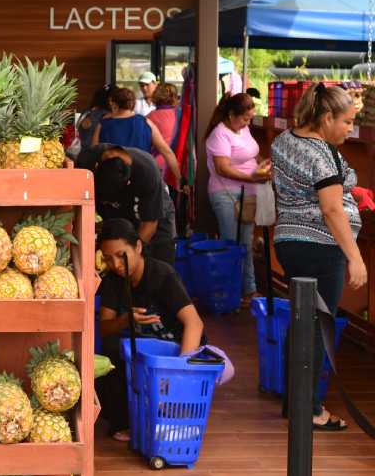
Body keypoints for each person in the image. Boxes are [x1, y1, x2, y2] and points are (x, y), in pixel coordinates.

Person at [271, 83, 366, 431]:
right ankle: (309, 410)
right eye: (346, 122)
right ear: (326, 117)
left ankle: (295, 404)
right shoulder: (320, 153)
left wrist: (353, 191)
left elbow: (316, 190)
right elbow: (331, 209)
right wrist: (354, 257)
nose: (349, 129)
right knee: (316, 329)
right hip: (321, 247)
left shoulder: (284, 140)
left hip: (290, 242)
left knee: (302, 325)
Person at [95, 218, 204, 441]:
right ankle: (125, 422)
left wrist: (179, 370)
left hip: (173, 349)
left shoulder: (162, 275)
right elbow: (105, 328)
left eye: (120, 255)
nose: (115, 264)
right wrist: (126, 320)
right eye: (108, 258)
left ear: (138, 247)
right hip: (139, 350)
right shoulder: (112, 281)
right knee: (110, 350)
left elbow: (195, 323)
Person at [205, 92, 270, 304]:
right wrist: (252, 176)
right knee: (230, 245)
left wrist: (263, 165)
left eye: (250, 118)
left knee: (245, 243)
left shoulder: (243, 129)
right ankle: (229, 292)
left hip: (248, 193)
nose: (247, 122)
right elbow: (222, 169)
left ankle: (248, 290)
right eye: (244, 118)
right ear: (232, 114)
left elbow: (251, 154)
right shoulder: (219, 134)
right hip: (226, 194)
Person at [77, 143, 178, 264]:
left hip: (154, 219)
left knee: (156, 264)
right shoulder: (87, 160)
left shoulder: (147, 172)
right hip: (117, 218)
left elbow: (149, 225)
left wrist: (128, 257)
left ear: (128, 182)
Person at [92, 87, 181, 182]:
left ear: (114, 104)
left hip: (112, 178)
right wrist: (179, 178)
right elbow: (167, 152)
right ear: (133, 104)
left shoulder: (103, 124)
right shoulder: (146, 122)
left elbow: (94, 152)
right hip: (141, 177)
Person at [146, 83, 178, 175]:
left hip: (155, 165)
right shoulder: (181, 115)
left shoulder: (148, 118)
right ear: (174, 97)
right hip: (177, 164)